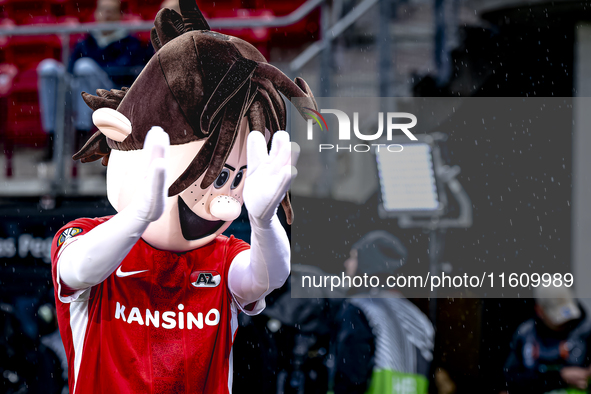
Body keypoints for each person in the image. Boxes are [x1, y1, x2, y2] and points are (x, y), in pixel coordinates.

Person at [50, 1, 317, 393]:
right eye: (208, 175)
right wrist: (138, 215)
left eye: (232, 179)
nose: (220, 200)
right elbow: (79, 270)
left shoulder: (224, 255)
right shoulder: (80, 234)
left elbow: (266, 278)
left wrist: (264, 221)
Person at [37, 0, 148, 161]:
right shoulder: (86, 41)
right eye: (103, 10)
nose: (107, 15)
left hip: (109, 92)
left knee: (85, 67)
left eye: (112, 11)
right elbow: (69, 69)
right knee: (47, 68)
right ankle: (52, 137)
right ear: (96, 14)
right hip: (77, 91)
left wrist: (95, 70)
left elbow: (125, 75)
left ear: (120, 15)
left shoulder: (131, 43)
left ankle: (83, 134)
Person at [334, 231, 434, 394]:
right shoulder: (419, 317)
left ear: (367, 262)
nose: (347, 263)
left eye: (353, 257)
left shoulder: (361, 308)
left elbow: (351, 375)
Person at [504, 285, 591, 394]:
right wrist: (559, 378)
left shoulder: (586, 330)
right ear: (539, 311)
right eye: (558, 316)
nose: (564, 322)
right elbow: (511, 380)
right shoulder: (525, 334)